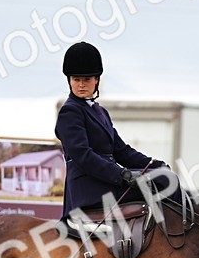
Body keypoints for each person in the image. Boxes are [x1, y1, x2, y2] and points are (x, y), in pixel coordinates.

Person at [54, 41, 175, 217]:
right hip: (89, 188)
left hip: (107, 180)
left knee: (163, 175)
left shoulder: (99, 111)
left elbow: (121, 151)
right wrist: (122, 174)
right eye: (76, 80)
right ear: (69, 80)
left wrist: (153, 164)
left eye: (86, 80)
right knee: (164, 181)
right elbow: (83, 156)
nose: (81, 85)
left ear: (96, 80)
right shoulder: (70, 111)